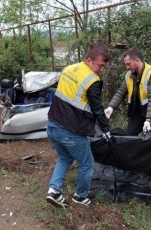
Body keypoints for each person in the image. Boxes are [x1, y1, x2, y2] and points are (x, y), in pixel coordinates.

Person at [45, 42, 111, 207]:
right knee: (87, 163)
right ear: (89, 60)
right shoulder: (92, 80)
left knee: (65, 158)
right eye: (100, 65)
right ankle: (81, 197)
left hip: (52, 125)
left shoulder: (69, 69)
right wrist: (106, 130)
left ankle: (53, 191)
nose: (101, 70)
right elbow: (97, 109)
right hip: (70, 131)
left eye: (104, 67)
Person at [104, 47, 151, 183]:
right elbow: (121, 92)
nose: (127, 67)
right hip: (138, 113)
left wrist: (149, 120)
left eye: (128, 64)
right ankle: (129, 168)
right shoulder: (129, 75)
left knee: (150, 143)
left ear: (137, 60)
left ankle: (147, 175)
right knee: (129, 138)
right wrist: (111, 107)